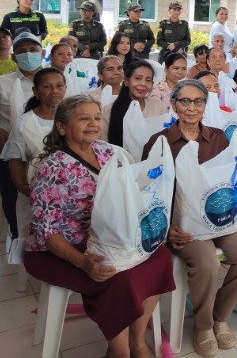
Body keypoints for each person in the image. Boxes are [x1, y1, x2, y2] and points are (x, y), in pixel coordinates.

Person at [24, 94, 174, 358]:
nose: (93, 123)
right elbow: (47, 232)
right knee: (114, 275)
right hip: (60, 248)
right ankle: (118, 350)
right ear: (61, 127)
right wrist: (83, 262)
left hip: (108, 235)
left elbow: (128, 194)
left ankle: (137, 341)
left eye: (96, 117)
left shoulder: (107, 151)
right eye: (83, 118)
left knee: (159, 255)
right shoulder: (51, 169)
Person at [142, 80, 237, 356]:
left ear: (205, 106)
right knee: (207, 261)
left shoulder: (219, 137)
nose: (191, 107)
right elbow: (147, 193)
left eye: (198, 101)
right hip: (181, 225)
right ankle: (203, 325)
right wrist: (166, 229)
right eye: (185, 101)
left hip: (222, 217)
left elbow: (234, 181)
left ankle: (220, 317)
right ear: (174, 104)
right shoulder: (159, 143)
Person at [0, 30, 45, 235]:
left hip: (48, 152)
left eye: (33, 50)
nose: (28, 54)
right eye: (22, 51)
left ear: (42, 53)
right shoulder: (3, 82)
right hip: (12, 151)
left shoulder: (56, 80)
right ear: (13, 56)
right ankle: (17, 238)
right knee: (13, 200)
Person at [2, 68, 65, 202]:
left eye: (59, 86)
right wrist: (23, 186)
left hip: (72, 188)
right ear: (35, 91)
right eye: (47, 86)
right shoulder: (25, 122)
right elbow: (16, 160)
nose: (54, 90)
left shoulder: (74, 118)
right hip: (37, 189)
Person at [102, 60, 169, 143]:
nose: (143, 83)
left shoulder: (159, 106)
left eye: (148, 80)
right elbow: (103, 146)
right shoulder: (108, 111)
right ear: (126, 81)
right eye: (138, 78)